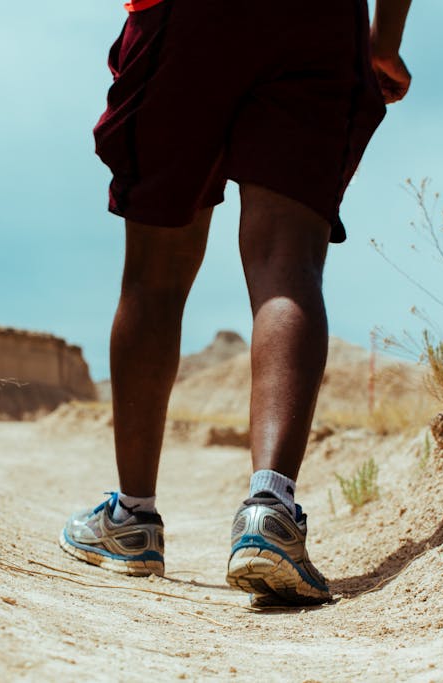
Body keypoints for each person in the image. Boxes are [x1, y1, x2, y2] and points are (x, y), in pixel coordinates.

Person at [60, 0, 412, 605]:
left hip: (185, 19)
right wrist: (384, 41)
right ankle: (269, 512)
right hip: (319, 26)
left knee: (154, 275)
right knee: (287, 261)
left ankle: (132, 519)